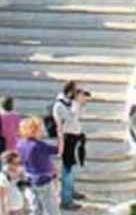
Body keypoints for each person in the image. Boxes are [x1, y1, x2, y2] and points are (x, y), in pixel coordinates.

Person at [53, 82, 89, 211]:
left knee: (70, 167)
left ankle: (71, 191)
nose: (77, 93)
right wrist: (77, 103)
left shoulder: (69, 103)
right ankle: (66, 200)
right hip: (67, 139)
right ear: (69, 92)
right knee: (67, 169)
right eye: (75, 91)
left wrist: (82, 104)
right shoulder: (60, 105)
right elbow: (71, 119)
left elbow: (79, 117)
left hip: (74, 138)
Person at [16, 117, 59, 213]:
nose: (42, 131)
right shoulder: (39, 145)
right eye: (40, 129)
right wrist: (60, 135)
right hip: (44, 180)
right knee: (51, 208)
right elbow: (58, 150)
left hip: (29, 180)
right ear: (34, 130)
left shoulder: (19, 144)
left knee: (35, 208)